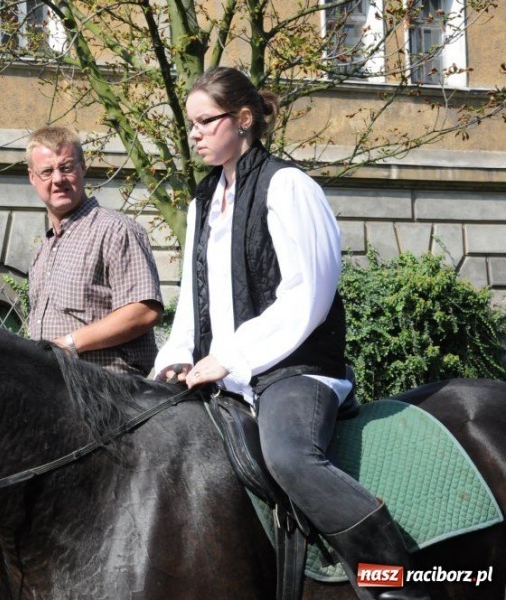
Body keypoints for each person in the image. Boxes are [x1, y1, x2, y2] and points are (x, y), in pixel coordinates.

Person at [153, 67, 429, 599]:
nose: (195, 134)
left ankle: (396, 581)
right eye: (190, 124)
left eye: (206, 121)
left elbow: (308, 292)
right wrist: (176, 357)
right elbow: (192, 301)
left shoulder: (288, 185)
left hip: (297, 371)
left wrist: (231, 356)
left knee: (289, 456)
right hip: (227, 372)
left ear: (244, 119)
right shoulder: (201, 202)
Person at [26, 125, 163, 376]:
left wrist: (69, 345)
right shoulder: (43, 250)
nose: (58, 179)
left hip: (109, 394)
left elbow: (144, 310)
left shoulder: (115, 230)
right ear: (32, 178)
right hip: (56, 393)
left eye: (66, 167)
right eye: (46, 171)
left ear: (82, 168)